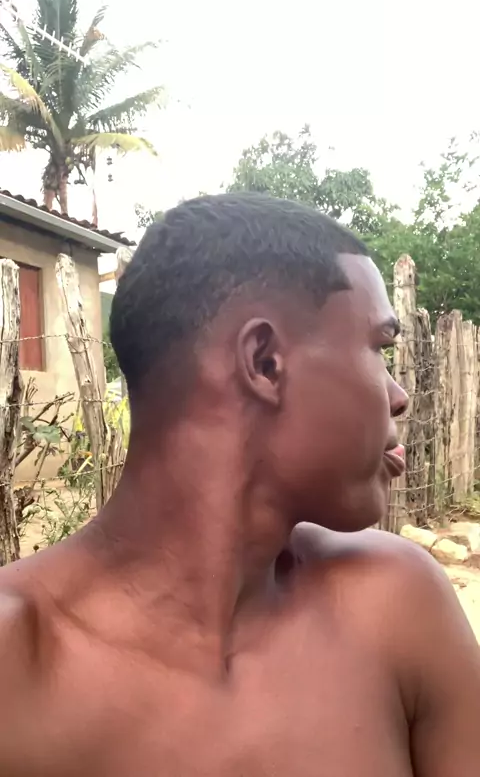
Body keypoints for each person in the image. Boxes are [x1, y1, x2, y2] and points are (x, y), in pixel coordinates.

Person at [0, 194, 479, 776]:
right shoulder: (14, 667)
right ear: (265, 361)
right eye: (380, 347)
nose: (398, 396)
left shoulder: (398, 607)